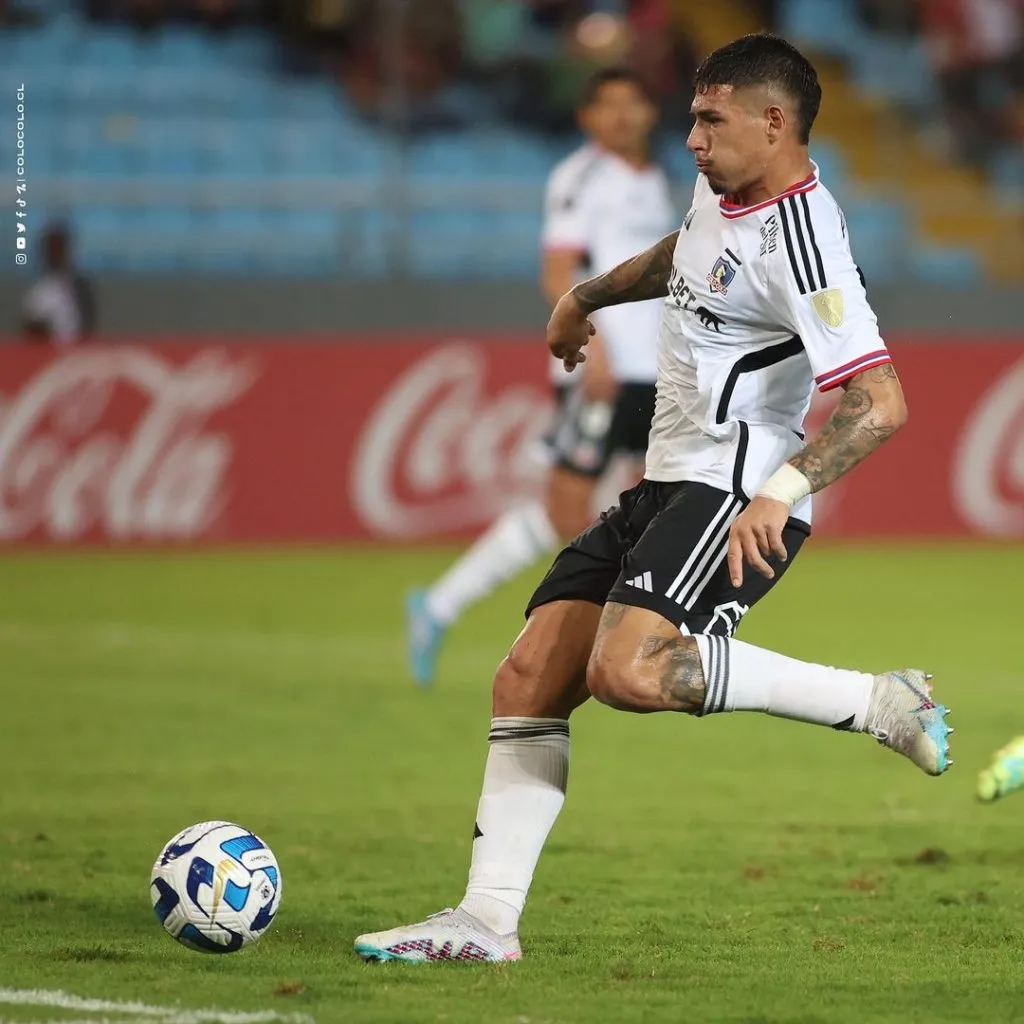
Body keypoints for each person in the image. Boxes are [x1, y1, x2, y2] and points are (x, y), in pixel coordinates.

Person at [356, 33, 953, 964]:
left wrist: (784, 487)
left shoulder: (808, 243)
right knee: (525, 678)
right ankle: (483, 926)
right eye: (691, 119)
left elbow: (882, 403)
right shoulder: (726, 192)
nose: (692, 140)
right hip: (666, 482)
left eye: (711, 120)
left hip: (735, 491)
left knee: (628, 671)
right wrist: (588, 297)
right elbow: (691, 252)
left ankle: (881, 702)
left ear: (773, 121)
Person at [405, 67, 677, 686]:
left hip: (660, 371)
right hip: (606, 369)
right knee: (567, 512)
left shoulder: (658, 178)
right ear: (586, 118)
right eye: (607, 106)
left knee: (654, 501)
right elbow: (558, 271)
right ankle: (459, 611)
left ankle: (621, 635)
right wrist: (597, 344)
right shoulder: (580, 178)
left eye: (633, 103)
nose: (622, 116)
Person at [21, 223, 97, 346]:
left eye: (60, 248)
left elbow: (89, 323)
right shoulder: (38, 292)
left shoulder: (81, 286)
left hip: (77, 352)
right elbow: (30, 331)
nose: (57, 254)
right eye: (52, 249)